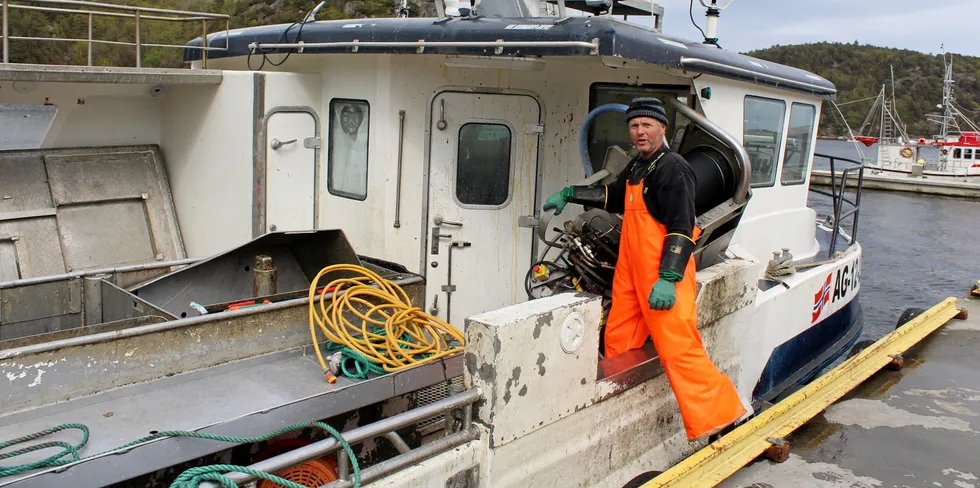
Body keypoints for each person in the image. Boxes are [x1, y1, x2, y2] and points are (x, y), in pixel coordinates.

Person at [543, 97, 749, 440]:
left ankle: (724, 416)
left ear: (662, 129)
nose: (640, 132)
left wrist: (668, 278)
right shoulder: (640, 166)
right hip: (630, 272)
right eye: (635, 126)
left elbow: (683, 226)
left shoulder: (675, 168)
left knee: (679, 348)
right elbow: (616, 196)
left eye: (647, 125)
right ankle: (617, 412)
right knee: (619, 336)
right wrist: (570, 193)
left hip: (662, 273)